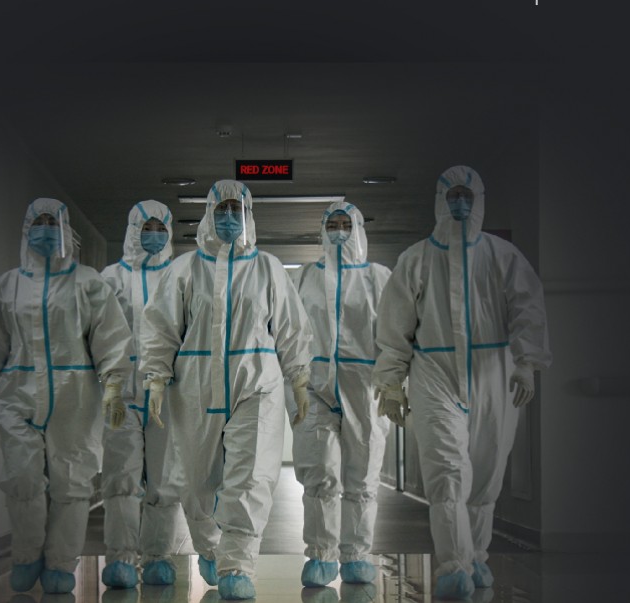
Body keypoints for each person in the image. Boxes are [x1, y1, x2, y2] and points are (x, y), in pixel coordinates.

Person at [373, 166, 552, 600]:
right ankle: (453, 566)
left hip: (493, 373)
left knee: (487, 474)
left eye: (466, 197)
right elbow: (395, 325)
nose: (459, 204)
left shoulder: (502, 256)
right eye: (452, 196)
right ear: (439, 201)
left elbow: (527, 306)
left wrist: (526, 362)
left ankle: (476, 557)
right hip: (433, 374)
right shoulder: (416, 259)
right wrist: (393, 382)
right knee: (448, 471)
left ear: (480, 201)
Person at [138, 180, 312, 600]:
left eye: (238, 210)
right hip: (193, 388)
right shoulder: (184, 269)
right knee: (197, 482)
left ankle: (238, 564)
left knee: (251, 477)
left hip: (257, 383)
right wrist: (156, 377)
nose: (230, 217)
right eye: (222, 210)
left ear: (249, 216)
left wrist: (300, 378)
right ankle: (210, 547)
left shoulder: (268, 268)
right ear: (208, 216)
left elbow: (291, 327)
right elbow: (161, 327)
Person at [0, 198, 133, 595]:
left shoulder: (87, 282)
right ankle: (26, 555)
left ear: (64, 229)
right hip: (18, 395)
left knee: (71, 484)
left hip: (75, 397)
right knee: (22, 479)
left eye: (52, 222)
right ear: (26, 228)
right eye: (38, 222)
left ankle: (60, 563)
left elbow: (110, 336)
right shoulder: (9, 285)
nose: (45, 229)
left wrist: (113, 385)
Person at [287, 202, 392, 587]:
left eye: (346, 224)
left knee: (362, 475)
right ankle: (320, 554)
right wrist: (294, 377)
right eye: (332, 224)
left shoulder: (377, 277)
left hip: (364, 386)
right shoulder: (304, 277)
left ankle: (356, 555)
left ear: (359, 228)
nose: (339, 230)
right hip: (313, 386)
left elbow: (395, 332)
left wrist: (394, 379)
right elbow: (288, 329)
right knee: (320, 472)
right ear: (322, 229)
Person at [99, 200, 185, 588]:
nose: (152, 235)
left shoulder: (180, 276)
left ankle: (158, 556)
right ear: (132, 230)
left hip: (169, 393)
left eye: (159, 228)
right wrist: (109, 382)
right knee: (121, 478)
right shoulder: (110, 279)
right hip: (122, 394)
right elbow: (99, 335)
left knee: (165, 479)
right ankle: (120, 558)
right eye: (145, 228)